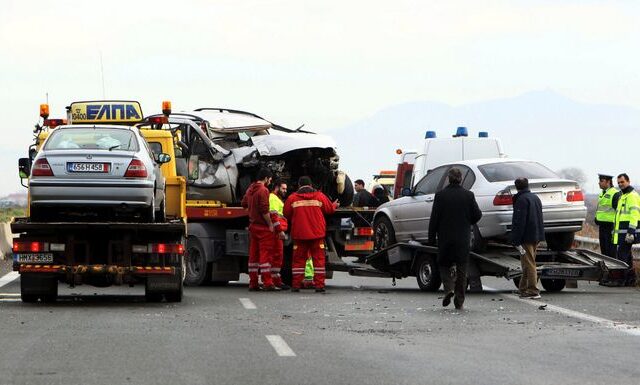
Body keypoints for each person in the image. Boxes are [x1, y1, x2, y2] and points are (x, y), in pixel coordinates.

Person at [427, 168, 482, 310]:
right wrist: (467, 220)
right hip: (462, 238)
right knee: (462, 268)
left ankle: (448, 289)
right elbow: (477, 215)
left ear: (448, 179)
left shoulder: (440, 196)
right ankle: (459, 300)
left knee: (444, 264)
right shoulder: (468, 195)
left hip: (445, 237)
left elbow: (434, 218)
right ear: (461, 178)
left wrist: (431, 238)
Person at [284, 176, 339, 292]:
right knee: (318, 261)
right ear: (311, 185)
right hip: (317, 235)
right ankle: (319, 286)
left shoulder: (292, 198)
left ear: (299, 185)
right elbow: (329, 210)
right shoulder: (319, 196)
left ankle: (296, 285)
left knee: (298, 261)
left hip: (299, 235)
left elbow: (286, 214)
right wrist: (334, 205)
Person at [241, 169, 276, 291]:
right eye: (270, 180)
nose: (270, 182)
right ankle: (267, 282)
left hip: (253, 226)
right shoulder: (263, 190)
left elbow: (244, 204)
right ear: (266, 178)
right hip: (263, 228)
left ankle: (253, 282)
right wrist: (270, 224)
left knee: (253, 256)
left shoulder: (250, 189)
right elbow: (264, 210)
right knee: (265, 256)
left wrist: (251, 212)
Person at [510, 177, 545, 299]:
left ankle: (533, 290)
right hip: (536, 235)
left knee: (529, 263)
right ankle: (523, 288)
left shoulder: (521, 200)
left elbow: (519, 222)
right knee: (526, 262)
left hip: (526, 237)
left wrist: (515, 239)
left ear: (516, 187)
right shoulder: (535, 198)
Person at [612, 173, 640, 286]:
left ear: (628, 181)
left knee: (622, 255)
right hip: (622, 232)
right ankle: (630, 279)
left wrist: (631, 231)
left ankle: (622, 280)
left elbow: (635, 214)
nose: (620, 184)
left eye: (622, 182)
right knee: (626, 255)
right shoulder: (623, 196)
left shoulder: (632, 196)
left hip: (628, 232)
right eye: (618, 183)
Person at [269, 179, 289, 290]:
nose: (285, 191)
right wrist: (279, 230)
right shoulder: (272, 198)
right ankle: (271, 281)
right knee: (274, 256)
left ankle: (276, 280)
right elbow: (274, 215)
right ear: (277, 187)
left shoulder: (277, 199)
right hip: (275, 232)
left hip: (278, 231)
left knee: (278, 256)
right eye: (283, 188)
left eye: (286, 189)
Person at [595, 174, 618, 258]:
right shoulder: (603, 193)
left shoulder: (615, 193)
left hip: (610, 226)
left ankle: (612, 270)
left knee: (610, 251)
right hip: (602, 225)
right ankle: (606, 270)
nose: (599, 183)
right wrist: (596, 218)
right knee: (604, 250)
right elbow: (601, 208)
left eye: (601, 181)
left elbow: (618, 212)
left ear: (608, 182)